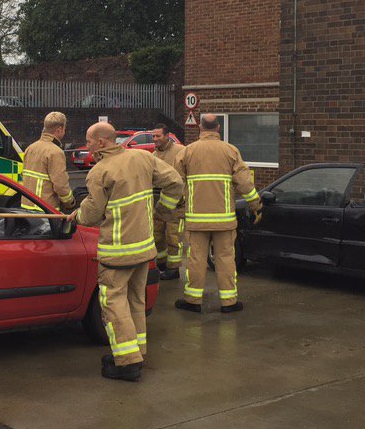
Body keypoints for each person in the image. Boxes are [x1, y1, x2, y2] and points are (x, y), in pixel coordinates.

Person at [71, 122, 183, 381]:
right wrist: (162, 211)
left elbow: (91, 214)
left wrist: (74, 216)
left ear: (101, 142)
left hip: (117, 252)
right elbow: (175, 182)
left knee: (113, 303)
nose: (86, 145)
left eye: (88, 141)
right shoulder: (143, 158)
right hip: (144, 249)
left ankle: (126, 362)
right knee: (136, 301)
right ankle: (137, 351)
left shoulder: (99, 172)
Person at [175, 113, 261, 315]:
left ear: (200, 128)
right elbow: (245, 184)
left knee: (196, 259)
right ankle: (229, 303)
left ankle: (193, 301)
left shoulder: (188, 152)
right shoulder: (230, 151)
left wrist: (173, 208)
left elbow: (175, 183)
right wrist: (255, 205)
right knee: (225, 259)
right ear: (218, 128)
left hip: (197, 220)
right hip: (224, 220)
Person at [21, 112, 76, 214]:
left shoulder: (30, 148)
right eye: (64, 129)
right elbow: (60, 185)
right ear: (59, 130)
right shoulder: (55, 152)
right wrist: (70, 202)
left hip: (26, 206)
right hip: (46, 208)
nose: (64, 131)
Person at [151, 124, 186, 281]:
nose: (155, 139)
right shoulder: (153, 155)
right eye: (154, 136)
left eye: (158, 136)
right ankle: (162, 264)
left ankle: (174, 269)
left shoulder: (180, 151)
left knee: (174, 238)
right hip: (159, 204)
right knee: (157, 236)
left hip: (176, 204)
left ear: (167, 136)